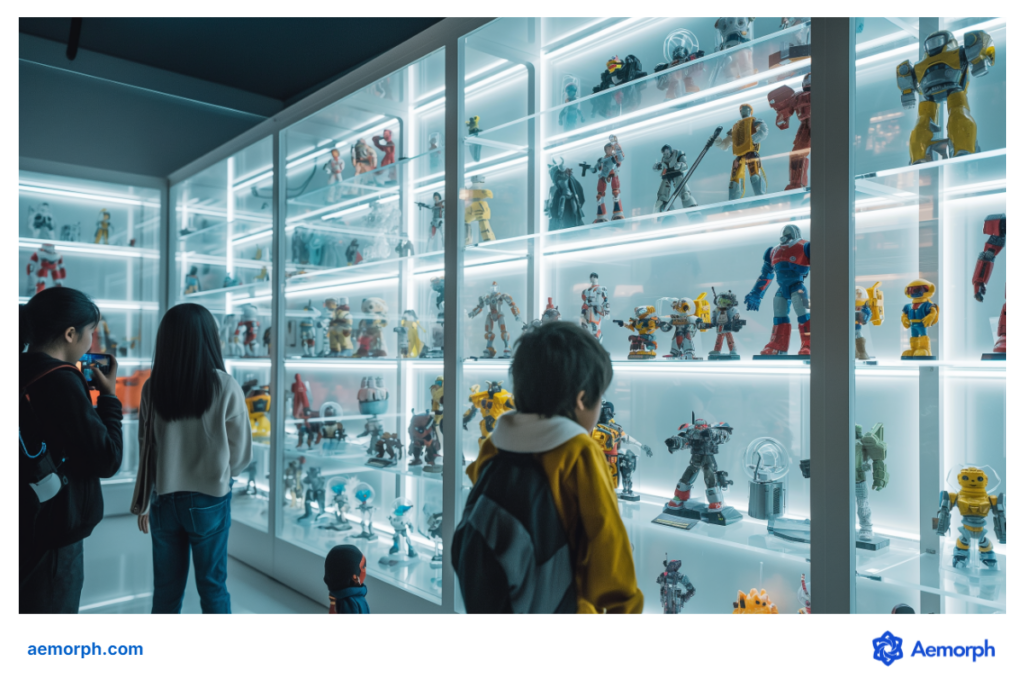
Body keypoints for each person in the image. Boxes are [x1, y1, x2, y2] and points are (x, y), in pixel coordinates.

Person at [453, 321, 643, 613]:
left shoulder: (497, 441)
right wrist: (625, 608)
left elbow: (477, 478)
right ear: (582, 400)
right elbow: (607, 541)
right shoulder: (578, 450)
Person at [135, 303, 252, 614]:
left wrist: (146, 499)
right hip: (209, 500)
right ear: (209, 338)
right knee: (213, 587)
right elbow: (241, 451)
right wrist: (227, 472)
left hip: (164, 499)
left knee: (166, 591)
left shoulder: (152, 387)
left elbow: (146, 446)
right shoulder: (225, 385)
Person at [19, 288, 123, 613]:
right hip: (55, 528)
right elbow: (107, 458)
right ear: (70, 334)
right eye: (91, 331)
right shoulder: (62, 380)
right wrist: (108, 399)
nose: (91, 339)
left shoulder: (21, 368)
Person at [324, 545, 370, 614]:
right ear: (354, 577)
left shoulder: (337, 595)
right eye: (364, 567)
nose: (365, 571)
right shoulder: (352, 603)